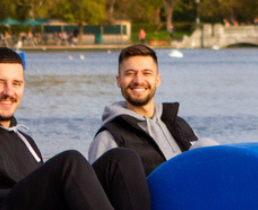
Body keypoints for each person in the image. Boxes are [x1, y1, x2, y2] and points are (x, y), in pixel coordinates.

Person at [0, 47, 151, 210]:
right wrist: (12, 193)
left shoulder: (24, 139)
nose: (9, 92)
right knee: (69, 163)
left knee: (121, 159)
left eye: (16, 83)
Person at [88, 43, 213, 176]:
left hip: (192, 193)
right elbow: (98, 193)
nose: (138, 80)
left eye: (146, 73)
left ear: (157, 80)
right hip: (146, 196)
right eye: (130, 73)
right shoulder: (108, 137)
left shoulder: (179, 125)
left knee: (206, 145)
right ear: (119, 81)